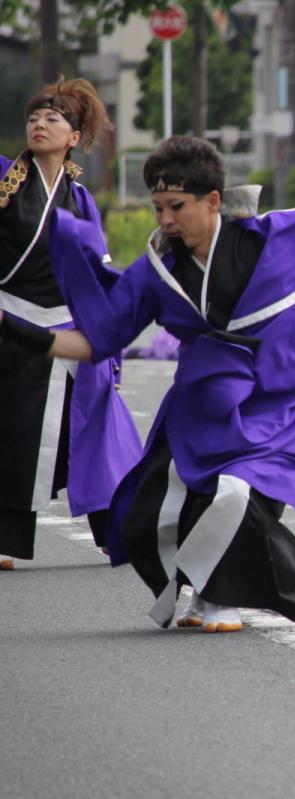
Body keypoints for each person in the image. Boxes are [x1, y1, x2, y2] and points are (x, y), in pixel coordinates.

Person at [17, 135, 295, 632]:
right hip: (204, 405)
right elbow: (96, 341)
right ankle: (205, 592)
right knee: (156, 507)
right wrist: (14, 328)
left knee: (237, 492)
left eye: (176, 206)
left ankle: (226, 597)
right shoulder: (156, 272)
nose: (164, 219)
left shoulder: (269, 245)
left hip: (284, 401)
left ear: (212, 201)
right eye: (158, 207)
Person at [0, 78, 142, 569]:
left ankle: (115, 531)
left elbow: (97, 275)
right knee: (14, 432)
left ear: (74, 136)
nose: (39, 125)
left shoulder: (80, 199)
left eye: (53, 119)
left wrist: (109, 337)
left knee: (94, 428)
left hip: (67, 330)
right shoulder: (4, 181)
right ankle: (7, 537)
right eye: (34, 118)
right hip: (9, 321)